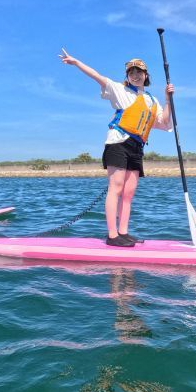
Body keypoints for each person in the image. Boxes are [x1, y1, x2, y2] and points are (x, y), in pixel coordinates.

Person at [59, 48, 174, 247]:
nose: (136, 75)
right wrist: (76, 62)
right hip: (118, 143)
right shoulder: (119, 90)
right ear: (127, 76)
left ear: (146, 76)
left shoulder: (152, 101)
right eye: (132, 72)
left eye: (139, 72)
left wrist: (167, 99)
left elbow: (164, 123)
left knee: (129, 192)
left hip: (136, 147)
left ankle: (124, 232)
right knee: (116, 187)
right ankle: (112, 235)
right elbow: (97, 76)